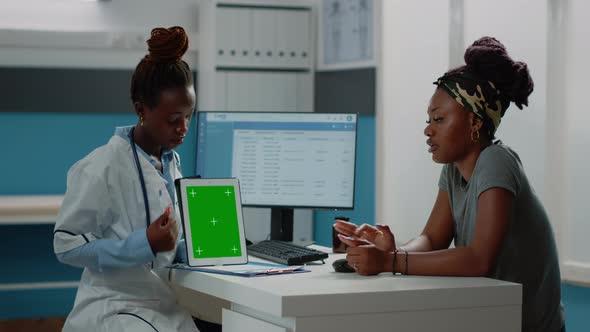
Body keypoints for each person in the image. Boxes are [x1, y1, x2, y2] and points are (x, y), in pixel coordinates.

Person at [334, 37, 565, 332]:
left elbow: (478, 259)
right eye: (430, 119)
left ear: (474, 123)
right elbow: (432, 238)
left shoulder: (496, 161)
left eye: (439, 119)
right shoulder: (455, 170)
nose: (428, 130)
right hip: (490, 320)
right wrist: (394, 251)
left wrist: (388, 262)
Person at [53, 26, 219, 332]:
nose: (183, 127)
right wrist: (144, 243)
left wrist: (198, 248)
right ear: (141, 110)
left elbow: (164, 250)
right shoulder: (102, 166)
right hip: (115, 307)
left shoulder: (169, 162)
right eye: (173, 119)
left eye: (189, 115)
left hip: (162, 303)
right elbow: (66, 246)